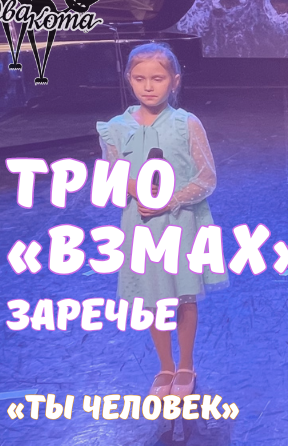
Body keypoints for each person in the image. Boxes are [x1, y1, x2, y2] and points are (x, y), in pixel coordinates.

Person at [97, 43, 226, 398]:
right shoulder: (116, 128)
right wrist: (140, 192)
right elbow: (113, 173)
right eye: (140, 78)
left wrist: (168, 200)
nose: (148, 86)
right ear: (129, 79)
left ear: (174, 81)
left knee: (184, 295)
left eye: (157, 78)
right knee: (152, 300)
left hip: (180, 223)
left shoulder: (186, 124)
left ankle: (185, 365)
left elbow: (206, 177)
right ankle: (165, 366)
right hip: (141, 226)